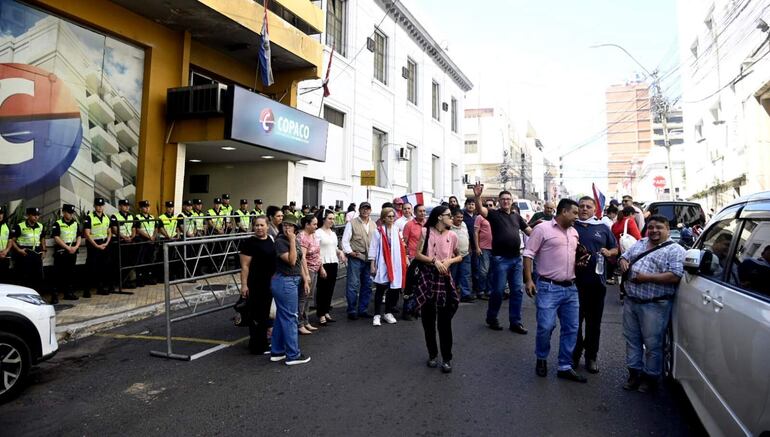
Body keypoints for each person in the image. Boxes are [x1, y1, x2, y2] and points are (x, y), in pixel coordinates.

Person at [523, 198, 587, 383]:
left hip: (571, 289)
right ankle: (541, 358)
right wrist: (528, 280)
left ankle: (564, 366)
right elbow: (528, 254)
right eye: (575, 213)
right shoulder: (542, 229)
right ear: (564, 212)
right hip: (547, 287)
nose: (578, 216)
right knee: (546, 326)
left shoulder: (574, 233)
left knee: (572, 328)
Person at [619, 215, 686, 393]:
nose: (654, 231)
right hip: (631, 301)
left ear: (667, 229)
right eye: (651, 227)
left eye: (659, 228)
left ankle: (651, 378)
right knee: (632, 340)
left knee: (653, 344)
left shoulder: (676, 250)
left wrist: (646, 278)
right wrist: (624, 261)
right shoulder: (641, 243)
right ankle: (634, 374)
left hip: (655, 305)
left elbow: (675, 275)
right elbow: (624, 256)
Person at [473, 182, 533, 333]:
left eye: (508, 198)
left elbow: (530, 232)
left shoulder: (516, 217)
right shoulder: (494, 214)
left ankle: (515, 322)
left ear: (512, 201)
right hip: (500, 260)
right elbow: (480, 209)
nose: (506, 201)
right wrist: (477, 196)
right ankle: (492, 317)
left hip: (516, 260)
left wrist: (547, 231)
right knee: (498, 291)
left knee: (517, 292)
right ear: (499, 201)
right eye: (503, 199)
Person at [413, 206, 462, 373]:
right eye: (449, 215)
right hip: (427, 277)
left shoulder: (453, 235)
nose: (452, 217)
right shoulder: (426, 232)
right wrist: (434, 261)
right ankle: (432, 355)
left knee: (445, 321)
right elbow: (417, 254)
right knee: (428, 320)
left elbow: (460, 255)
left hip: (445, 279)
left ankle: (446, 358)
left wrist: (449, 262)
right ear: (440, 217)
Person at [572, 197, 618, 374]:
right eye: (581, 206)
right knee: (574, 323)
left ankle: (591, 356)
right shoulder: (570, 226)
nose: (584, 209)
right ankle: (574, 354)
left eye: (588, 207)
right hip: (573, 284)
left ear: (594, 210)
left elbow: (615, 249)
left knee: (594, 323)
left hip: (596, 285)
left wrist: (609, 252)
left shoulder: (603, 228)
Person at [270, 214, 312, 366]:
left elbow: (300, 262)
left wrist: (305, 278)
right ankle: (293, 355)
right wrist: (293, 241)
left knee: (283, 317)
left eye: (290, 225)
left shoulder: (293, 240)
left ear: (295, 227)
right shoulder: (281, 241)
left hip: (291, 281)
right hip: (284, 281)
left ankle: (277, 351)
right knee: (290, 318)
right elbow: (292, 260)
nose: (287, 227)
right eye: (285, 224)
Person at [239, 216, 276, 354]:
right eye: (256, 225)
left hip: (269, 283)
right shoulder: (249, 243)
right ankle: (256, 346)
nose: (259, 228)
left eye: (262, 225)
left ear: (267, 226)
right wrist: (244, 285)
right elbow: (245, 266)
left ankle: (262, 343)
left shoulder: (270, 240)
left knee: (264, 315)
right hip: (255, 283)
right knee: (255, 315)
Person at [368, 207, 407, 326]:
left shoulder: (397, 230)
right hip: (382, 264)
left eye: (393, 216)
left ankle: (388, 312)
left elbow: (402, 247)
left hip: (396, 264)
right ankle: (377, 315)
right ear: (383, 218)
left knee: (394, 290)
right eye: (389, 216)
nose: (392, 219)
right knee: (380, 289)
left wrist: (405, 260)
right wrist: (372, 265)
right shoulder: (378, 231)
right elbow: (373, 248)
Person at [341, 201, 376, 320]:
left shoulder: (373, 224)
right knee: (353, 284)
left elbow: (376, 242)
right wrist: (350, 252)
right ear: (359, 210)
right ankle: (351, 309)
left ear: (370, 210)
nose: (366, 211)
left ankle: (363, 309)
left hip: (369, 259)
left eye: (368, 208)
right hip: (356, 257)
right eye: (363, 208)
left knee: (367, 285)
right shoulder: (352, 223)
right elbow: (345, 240)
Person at [316, 209, 346, 325]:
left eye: (333, 219)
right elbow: (316, 251)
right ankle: (321, 314)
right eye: (329, 218)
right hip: (323, 264)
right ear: (324, 219)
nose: (332, 221)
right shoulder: (318, 233)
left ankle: (326, 311)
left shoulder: (333, 233)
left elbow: (334, 248)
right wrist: (321, 266)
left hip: (333, 263)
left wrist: (340, 252)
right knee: (322, 290)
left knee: (330, 289)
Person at [10, 208, 47, 299]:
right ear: (28, 215)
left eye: (37, 215)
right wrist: (19, 250)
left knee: (38, 276)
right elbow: (12, 240)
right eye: (34, 215)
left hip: (37, 254)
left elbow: (42, 238)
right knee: (24, 277)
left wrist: (44, 250)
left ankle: (37, 297)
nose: (36, 217)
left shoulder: (40, 226)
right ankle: (24, 297)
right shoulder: (20, 226)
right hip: (24, 254)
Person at [51, 204, 82, 301]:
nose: (71, 215)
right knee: (58, 273)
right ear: (63, 212)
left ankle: (69, 293)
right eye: (69, 212)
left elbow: (79, 236)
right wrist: (67, 247)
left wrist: (76, 247)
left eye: (72, 213)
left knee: (70, 273)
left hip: (72, 250)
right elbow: (56, 237)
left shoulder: (75, 223)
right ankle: (55, 295)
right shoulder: (57, 223)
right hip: (62, 250)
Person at [83, 198, 112, 295]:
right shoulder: (89, 217)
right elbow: (87, 234)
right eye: (98, 205)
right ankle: (86, 290)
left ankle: (101, 288)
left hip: (104, 244)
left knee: (103, 267)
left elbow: (109, 232)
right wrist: (96, 245)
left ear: (104, 206)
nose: (100, 207)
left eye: (101, 205)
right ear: (94, 206)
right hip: (93, 245)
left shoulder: (106, 218)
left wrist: (106, 243)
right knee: (91, 268)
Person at [298, 214, 320, 334]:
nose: (316, 226)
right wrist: (306, 275)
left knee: (308, 297)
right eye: (314, 224)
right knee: (303, 297)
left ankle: (306, 321)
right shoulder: (302, 237)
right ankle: (299, 323)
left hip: (315, 269)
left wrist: (320, 267)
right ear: (306, 224)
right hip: (307, 270)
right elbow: (302, 258)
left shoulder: (313, 235)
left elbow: (317, 252)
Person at [449, 208, 473, 302]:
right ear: (453, 217)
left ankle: (465, 294)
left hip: (465, 254)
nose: (460, 219)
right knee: (453, 275)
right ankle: (452, 295)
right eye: (458, 217)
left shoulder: (463, 224)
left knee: (466, 275)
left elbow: (467, 237)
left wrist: (469, 247)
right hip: (454, 256)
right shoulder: (449, 227)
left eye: (461, 217)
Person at [111, 199, 136, 289]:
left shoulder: (131, 216)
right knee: (120, 263)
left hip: (129, 242)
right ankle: (119, 282)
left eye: (127, 205)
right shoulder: (115, 216)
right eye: (124, 205)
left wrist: (132, 237)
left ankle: (127, 281)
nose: (127, 207)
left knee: (129, 262)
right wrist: (124, 237)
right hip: (120, 242)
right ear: (120, 207)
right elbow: (114, 229)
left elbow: (133, 228)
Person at [134, 200, 159, 286]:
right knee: (141, 260)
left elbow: (155, 228)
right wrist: (149, 237)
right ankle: (140, 279)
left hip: (151, 241)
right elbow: (138, 229)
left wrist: (153, 237)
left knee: (150, 259)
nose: (147, 208)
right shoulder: (137, 217)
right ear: (140, 208)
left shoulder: (152, 217)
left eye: (148, 206)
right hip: (143, 241)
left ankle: (148, 277)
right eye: (145, 207)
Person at [462, 198, 479, 298]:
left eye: (473, 204)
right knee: (467, 271)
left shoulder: (477, 217)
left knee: (476, 269)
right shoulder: (462, 217)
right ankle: (466, 291)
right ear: (465, 205)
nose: (471, 206)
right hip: (466, 247)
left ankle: (476, 289)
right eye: (469, 204)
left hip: (476, 246)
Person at [474, 210, 492, 300]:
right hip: (484, 248)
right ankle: (481, 291)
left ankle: (488, 291)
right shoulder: (479, 217)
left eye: (491, 205)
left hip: (494, 248)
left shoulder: (493, 217)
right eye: (487, 206)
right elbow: (476, 232)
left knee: (491, 272)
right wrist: (477, 247)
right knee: (483, 271)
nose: (489, 207)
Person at [0, 206, 11, 284]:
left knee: (4, 281)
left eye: (1, 213)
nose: (0, 216)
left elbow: (10, 240)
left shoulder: (6, 226)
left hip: (4, 256)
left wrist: (6, 251)